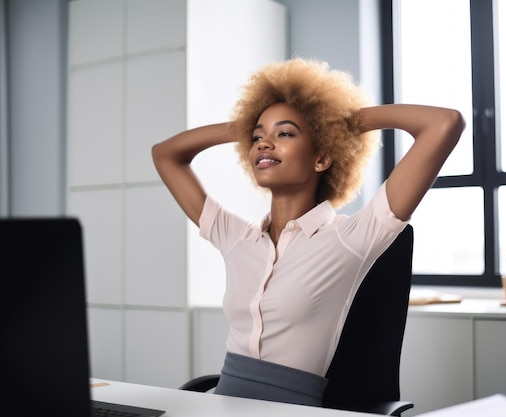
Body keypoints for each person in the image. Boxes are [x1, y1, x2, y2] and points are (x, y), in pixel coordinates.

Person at [152, 58, 464, 407]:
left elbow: (444, 123)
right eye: (257, 138)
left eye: (284, 133)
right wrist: (244, 128)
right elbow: (165, 154)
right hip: (223, 404)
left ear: (321, 158)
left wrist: (342, 123)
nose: (263, 144)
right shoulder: (236, 237)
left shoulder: (353, 238)